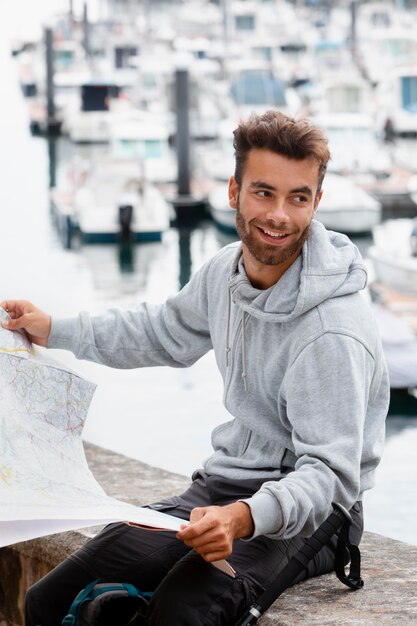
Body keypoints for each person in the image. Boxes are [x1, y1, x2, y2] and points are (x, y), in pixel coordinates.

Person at [2, 110, 389, 626]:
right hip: (223, 489)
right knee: (49, 598)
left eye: (298, 197)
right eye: (263, 192)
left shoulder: (332, 331)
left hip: (314, 515)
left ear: (317, 203)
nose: (278, 215)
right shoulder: (224, 273)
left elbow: (328, 476)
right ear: (233, 192)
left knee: (181, 613)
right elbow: (160, 331)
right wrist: (57, 329)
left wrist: (245, 516)